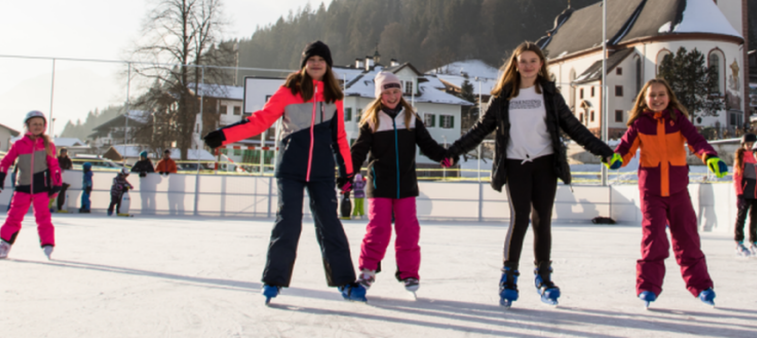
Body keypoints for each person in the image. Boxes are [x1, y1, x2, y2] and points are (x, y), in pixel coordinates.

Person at [446, 42, 615, 308]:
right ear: (515, 64)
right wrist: (454, 152)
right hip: (515, 165)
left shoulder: (549, 94)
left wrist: (605, 152)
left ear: (541, 64)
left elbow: (574, 127)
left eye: (533, 60)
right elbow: (480, 130)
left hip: (546, 164)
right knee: (520, 219)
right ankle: (509, 276)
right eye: (523, 61)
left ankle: (544, 277)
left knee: (542, 220)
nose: (528, 66)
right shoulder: (503, 97)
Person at [203, 41, 367, 304]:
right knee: (288, 222)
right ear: (304, 64)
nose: (316, 63)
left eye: (321, 60)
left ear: (328, 65)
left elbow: (339, 138)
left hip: (322, 171)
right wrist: (224, 135)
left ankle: (346, 281)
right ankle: (273, 280)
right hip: (291, 168)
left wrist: (347, 172)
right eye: (311, 59)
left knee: (330, 225)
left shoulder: (334, 96)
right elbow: (260, 120)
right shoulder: (288, 91)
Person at [605, 78, 728, 307]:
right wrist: (616, 159)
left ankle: (701, 286)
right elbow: (625, 149)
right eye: (652, 95)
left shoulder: (678, 120)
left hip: (678, 190)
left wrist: (709, 156)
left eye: (662, 94)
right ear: (644, 99)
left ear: (669, 96)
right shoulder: (640, 124)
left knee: (687, 238)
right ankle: (648, 288)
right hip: (651, 192)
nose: (657, 99)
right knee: (654, 240)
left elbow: (696, 141)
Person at [349, 71, 451, 295]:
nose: (392, 96)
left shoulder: (410, 118)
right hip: (379, 185)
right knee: (378, 229)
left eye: (396, 91)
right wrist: (348, 173)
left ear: (401, 93)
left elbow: (427, 144)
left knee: (409, 230)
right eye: (387, 92)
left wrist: (443, 156)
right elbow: (359, 151)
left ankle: (409, 272)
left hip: (405, 185)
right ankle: (368, 269)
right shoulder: (372, 120)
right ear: (379, 95)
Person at [0, 111, 62, 260]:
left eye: (40, 124)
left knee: (43, 218)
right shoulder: (19, 145)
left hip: (42, 189)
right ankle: (4, 244)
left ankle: (48, 245)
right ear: (27, 125)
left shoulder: (48, 145)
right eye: (34, 124)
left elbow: (54, 166)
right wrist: (1, 175)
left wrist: (57, 184)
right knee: (13, 217)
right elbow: (6, 161)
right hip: (23, 187)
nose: (37, 127)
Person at [733, 133, 757, 257]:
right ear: (743, 145)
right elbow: (736, 177)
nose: (750, 146)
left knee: (755, 219)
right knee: (742, 218)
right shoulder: (741, 157)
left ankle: (753, 243)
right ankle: (739, 242)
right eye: (748, 144)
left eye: (752, 144)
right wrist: (739, 195)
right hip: (745, 193)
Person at [132, 151, 159, 215]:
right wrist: (140, 171)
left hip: (149, 184)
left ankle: (152, 210)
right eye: (140, 157)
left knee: (151, 197)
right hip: (143, 183)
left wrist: (146, 172)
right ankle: (144, 210)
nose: (141, 158)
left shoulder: (148, 163)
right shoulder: (138, 163)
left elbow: (152, 171)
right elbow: (133, 169)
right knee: (144, 198)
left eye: (142, 157)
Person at [51, 147, 73, 213]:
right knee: (55, 192)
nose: (64, 154)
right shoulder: (57, 159)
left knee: (63, 192)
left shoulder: (68, 160)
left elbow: (70, 168)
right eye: (63, 153)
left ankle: (61, 207)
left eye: (65, 153)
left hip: (65, 178)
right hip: (57, 178)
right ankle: (53, 206)